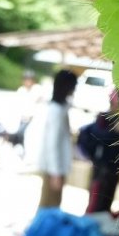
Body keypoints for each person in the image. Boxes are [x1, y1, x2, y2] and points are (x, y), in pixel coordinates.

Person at [78, 89, 119, 213]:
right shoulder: (104, 117)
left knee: (105, 203)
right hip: (102, 168)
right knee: (96, 204)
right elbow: (99, 135)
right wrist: (115, 131)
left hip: (113, 169)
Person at [37, 69, 77, 208]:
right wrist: (55, 172)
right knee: (49, 205)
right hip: (54, 168)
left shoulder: (61, 108)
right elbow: (52, 144)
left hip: (56, 167)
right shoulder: (56, 110)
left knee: (52, 204)